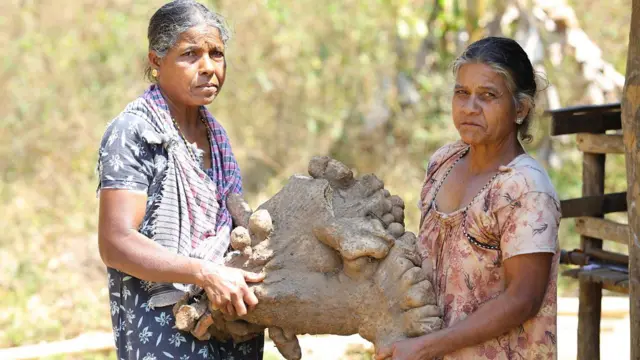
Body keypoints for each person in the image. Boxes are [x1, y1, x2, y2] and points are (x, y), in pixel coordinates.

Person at [96, 1, 265, 359]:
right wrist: (205, 273)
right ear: (156, 61)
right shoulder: (135, 132)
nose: (208, 68)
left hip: (229, 324)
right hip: (165, 331)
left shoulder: (216, 136)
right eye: (191, 54)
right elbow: (115, 242)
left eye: (216, 54)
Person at [377, 37, 561, 360]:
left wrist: (425, 347)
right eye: (462, 93)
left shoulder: (525, 187)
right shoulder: (444, 163)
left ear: (520, 109)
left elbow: (523, 299)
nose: (469, 108)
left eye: (488, 96)